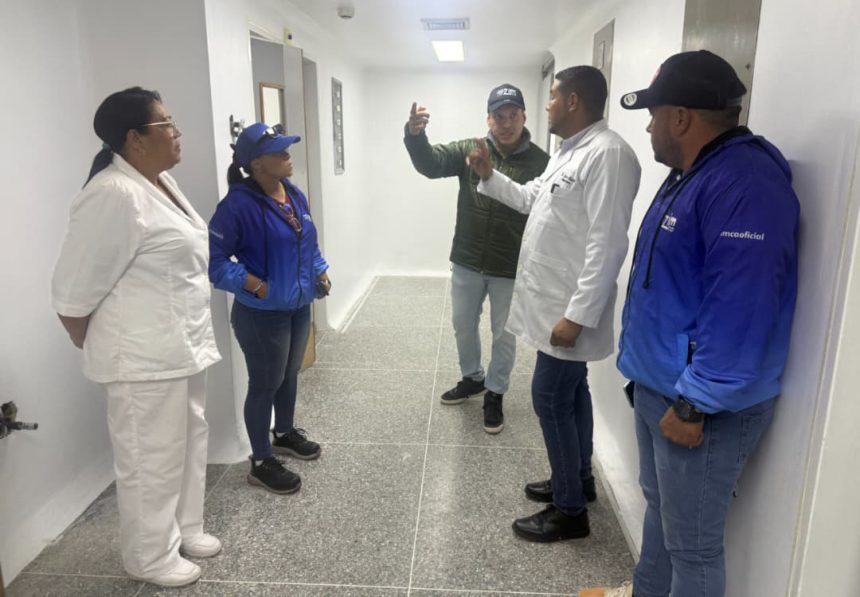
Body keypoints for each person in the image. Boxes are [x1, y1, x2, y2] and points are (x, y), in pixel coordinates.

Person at [581, 51, 799, 597]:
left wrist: (694, 402)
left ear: (681, 118)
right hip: (663, 386)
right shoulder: (690, 174)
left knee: (694, 550)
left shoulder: (745, 184)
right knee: (662, 516)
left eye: (654, 114)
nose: (650, 126)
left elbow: (743, 305)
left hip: (699, 404)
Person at [51, 87, 223, 587]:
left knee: (189, 443)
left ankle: (185, 529)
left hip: (181, 347)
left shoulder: (159, 180)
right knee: (150, 459)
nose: (176, 132)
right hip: (143, 360)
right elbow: (72, 293)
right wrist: (108, 346)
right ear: (134, 138)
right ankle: (149, 556)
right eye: (166, 123)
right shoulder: (112, 194)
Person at [467, 66, 641, 541]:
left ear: (573, 101)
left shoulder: (608, 155)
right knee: (572, 393)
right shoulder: (569, 153)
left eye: (552, 98)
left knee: (549, 397)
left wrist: (578, 316)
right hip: (554, 305)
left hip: (568, 311)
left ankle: (569, 512)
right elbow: (530, 199)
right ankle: (578, 481)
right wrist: (489, 174)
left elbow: (607, 245)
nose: (545, 106)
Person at [404, 84, 549, 434]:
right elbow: (429, 163)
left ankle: (495, 392)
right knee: (462, 325)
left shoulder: (541, 162)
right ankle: (473, 377)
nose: (506, 122)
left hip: (508, 266)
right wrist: (415, 135)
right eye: (499, 116)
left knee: (504, 335)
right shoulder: (471, 149)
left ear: (524, 117)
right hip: (468, 259)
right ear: (489, 118)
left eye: (513, 115)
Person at [209, 123, 330, 495]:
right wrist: (255, 285)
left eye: (286, 148)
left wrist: (321, 272)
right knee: (265, 384)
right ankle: (261, 461)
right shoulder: (236, 206)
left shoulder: (291, 193)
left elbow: (307, 243)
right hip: (261, 314)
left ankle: (284, 433)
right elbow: (213, 262)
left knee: (289, 373)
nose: (287, 155)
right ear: (256, 163)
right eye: (278, 151)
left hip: (297, 306)